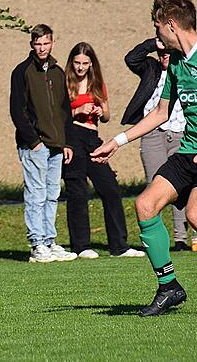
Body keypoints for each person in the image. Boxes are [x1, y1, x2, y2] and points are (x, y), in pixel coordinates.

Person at [91, 0, 197, 315]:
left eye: (157, 28)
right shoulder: (178, 64)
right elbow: (159, 113)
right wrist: (117, 141)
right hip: (189, 153)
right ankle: (169, 287)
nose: (156, 36)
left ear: (170, 25)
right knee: (145, 204)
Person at [62, 42, 144, 259]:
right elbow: (57, 116)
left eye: (85, 64)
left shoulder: (96, 83)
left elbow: (107, 116)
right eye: (77, 63)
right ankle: (81, 246)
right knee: (78, 191)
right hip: (72, 136)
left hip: (92, 137)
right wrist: (77, 109)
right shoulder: (64, 82)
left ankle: (119, 246)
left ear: (91, 64)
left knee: (110, 188)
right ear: (72, 63)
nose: (80, 68)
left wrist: (100, 110)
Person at [9, 24, 77, 263]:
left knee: (52, 194)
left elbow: (64, 109)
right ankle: (37, 245)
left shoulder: (58, 72)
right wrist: (34, 141)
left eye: (46, 43)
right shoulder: (22, 72)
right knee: (36, 194)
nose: (42, 48)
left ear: (52, 43)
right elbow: (17, 111)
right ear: (32, 45)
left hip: (57, 145)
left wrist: (67, 142)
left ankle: (50, 241)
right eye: (37, 44)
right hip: (34, 146)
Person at [122, 37, 189, 251]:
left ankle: (181, 239)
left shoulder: (186, 69)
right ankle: (157, 238)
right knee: (155, 185)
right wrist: (154, 44)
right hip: (153, 134)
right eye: (162, 52)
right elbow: (131, 59)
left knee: (179, 186)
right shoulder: (151, 68)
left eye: (169, 51)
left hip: (181, 134)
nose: (165, 56)